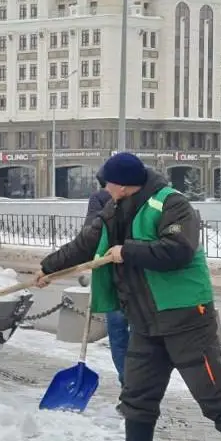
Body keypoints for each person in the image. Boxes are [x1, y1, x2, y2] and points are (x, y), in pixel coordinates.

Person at [33, 152, 221, 441]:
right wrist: (48, 268)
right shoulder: (113, 210)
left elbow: (178, 250)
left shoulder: (171, 204)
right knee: (138, 389)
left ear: (125, 185)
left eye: (108, 182)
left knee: (211, 391)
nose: (104, 187)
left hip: (185, 315)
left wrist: (127, 251)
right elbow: (86, 244)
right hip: (144, 318)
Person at [85, 166, 130, 395]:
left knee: (120, 336)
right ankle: (137, 389)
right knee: (138, 339)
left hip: (114, 279)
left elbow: (89, 234)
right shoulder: (141, 199)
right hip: (136, 279)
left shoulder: (99, 199)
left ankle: (129, 387)